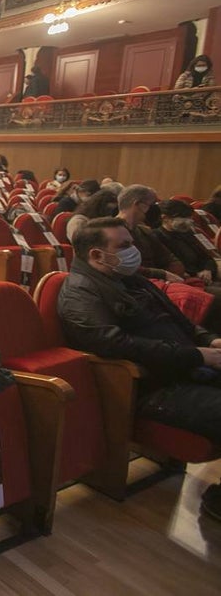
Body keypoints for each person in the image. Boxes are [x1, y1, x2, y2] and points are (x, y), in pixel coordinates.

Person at [58, 218, 221, 522]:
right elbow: (116, 345)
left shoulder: (132, 279)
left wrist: (211, 339)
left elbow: (180, 323)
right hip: (152, 387)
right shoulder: (80, 292)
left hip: (186, 367)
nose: (134, 251)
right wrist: (198, 356)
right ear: (96, 254)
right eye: (124, 246)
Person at [155, 200, 219, 285]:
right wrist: (196, 274)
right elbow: (168, 265)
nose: (188, 221)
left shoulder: (187, 234)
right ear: (165, 218)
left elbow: (206, 258)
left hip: (203, 279)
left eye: (189, 217)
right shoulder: (156, 236)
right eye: (183, 217)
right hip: (184, 282)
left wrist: (208, 270)